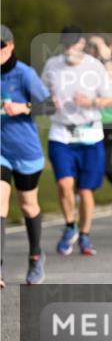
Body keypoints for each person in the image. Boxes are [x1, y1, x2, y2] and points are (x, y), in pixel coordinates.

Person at [43, 25, 112, 257]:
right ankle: (70, 226)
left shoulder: (94, 67)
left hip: (90, 134)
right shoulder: (52, 66)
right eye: (65, 44)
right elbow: (39, 94)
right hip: (61, 133)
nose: (69, 48)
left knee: (86, 191)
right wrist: (48, 101)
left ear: (82, 44)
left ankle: (85, 234)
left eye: (73, 43)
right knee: (64, 184)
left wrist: (91, 103)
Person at [1, 25, 49, 286]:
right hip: (1, 151)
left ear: (10, 46)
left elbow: (50, 105)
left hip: (26, 151)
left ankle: (35, 256)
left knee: (29, 206)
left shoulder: (24, 74)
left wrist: (23, 107)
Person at [85, 35, 112, 216]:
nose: (94, 50)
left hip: (107, 124)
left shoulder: (108, 67)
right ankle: (82, 200)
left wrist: (105, 54)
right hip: (86, 124)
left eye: (98, 47)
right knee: (88, 163)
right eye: (92, 46)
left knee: (105, 166)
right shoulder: (84, 67)